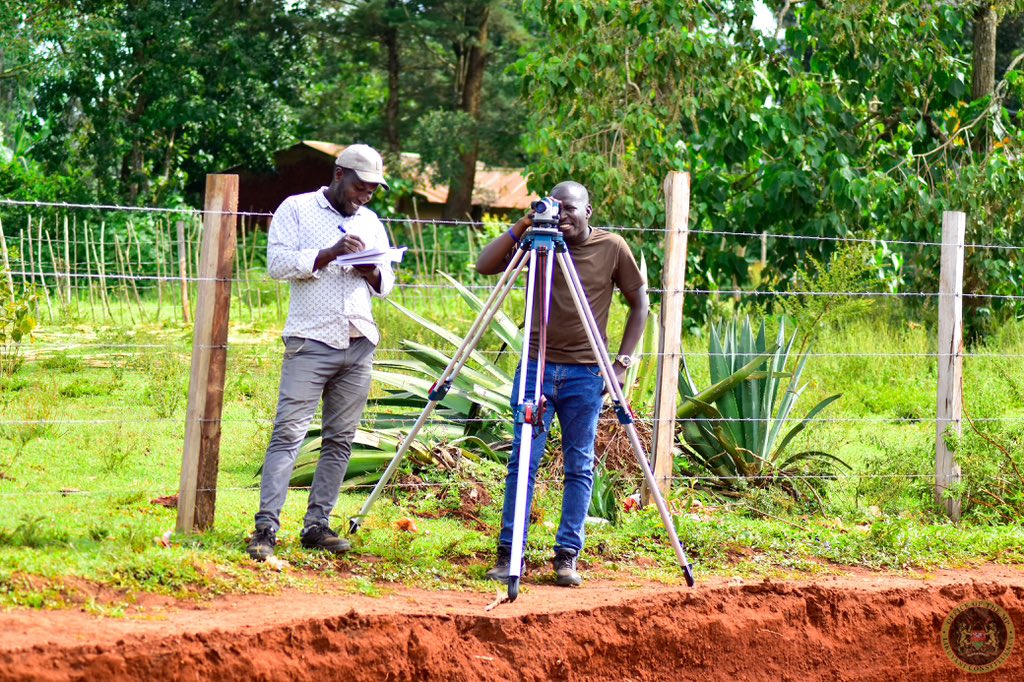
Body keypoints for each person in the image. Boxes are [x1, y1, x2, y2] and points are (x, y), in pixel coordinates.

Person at [475, 181, 648, 586]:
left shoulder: (612, 248)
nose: (563, 216)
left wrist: (621, 364)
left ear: (589, 211)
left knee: (580, 464)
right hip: (536, 366)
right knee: (523, 461)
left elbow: (639, 299)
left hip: (587, 372)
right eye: (557, 208)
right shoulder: (537, 244)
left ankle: (567, 555)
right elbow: (485, 265)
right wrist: (525, 224)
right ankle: (510, 551)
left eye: (571, 209)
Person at [247, 144, 395, 562]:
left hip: (359, 341)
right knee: (289, 434)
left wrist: (370, 269)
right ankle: (265, 529)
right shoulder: (295, 209)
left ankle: (317, 525)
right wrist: (329, 254)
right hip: (310, 342)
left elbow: (387, 285)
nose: (365, 196)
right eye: (360, 187)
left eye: (372, 191)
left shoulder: (370, 221)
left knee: (340, 440)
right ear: (338, 174)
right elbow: (277, 265)